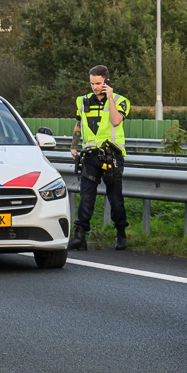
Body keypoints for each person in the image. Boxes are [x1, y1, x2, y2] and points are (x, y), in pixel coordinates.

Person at [69, 65, 130, 252]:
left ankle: (120, 233)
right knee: (86, 195)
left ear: (107, 81)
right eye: (92, 83)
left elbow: (116, 121)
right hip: (90, 155)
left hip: (112, 156)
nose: (95, 87)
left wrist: (110, 97)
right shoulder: (83, 101)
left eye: (98, 83)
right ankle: (80, 235)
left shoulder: (120, 100)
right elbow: (79, 125)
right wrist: (73, 146)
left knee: (115, 197)